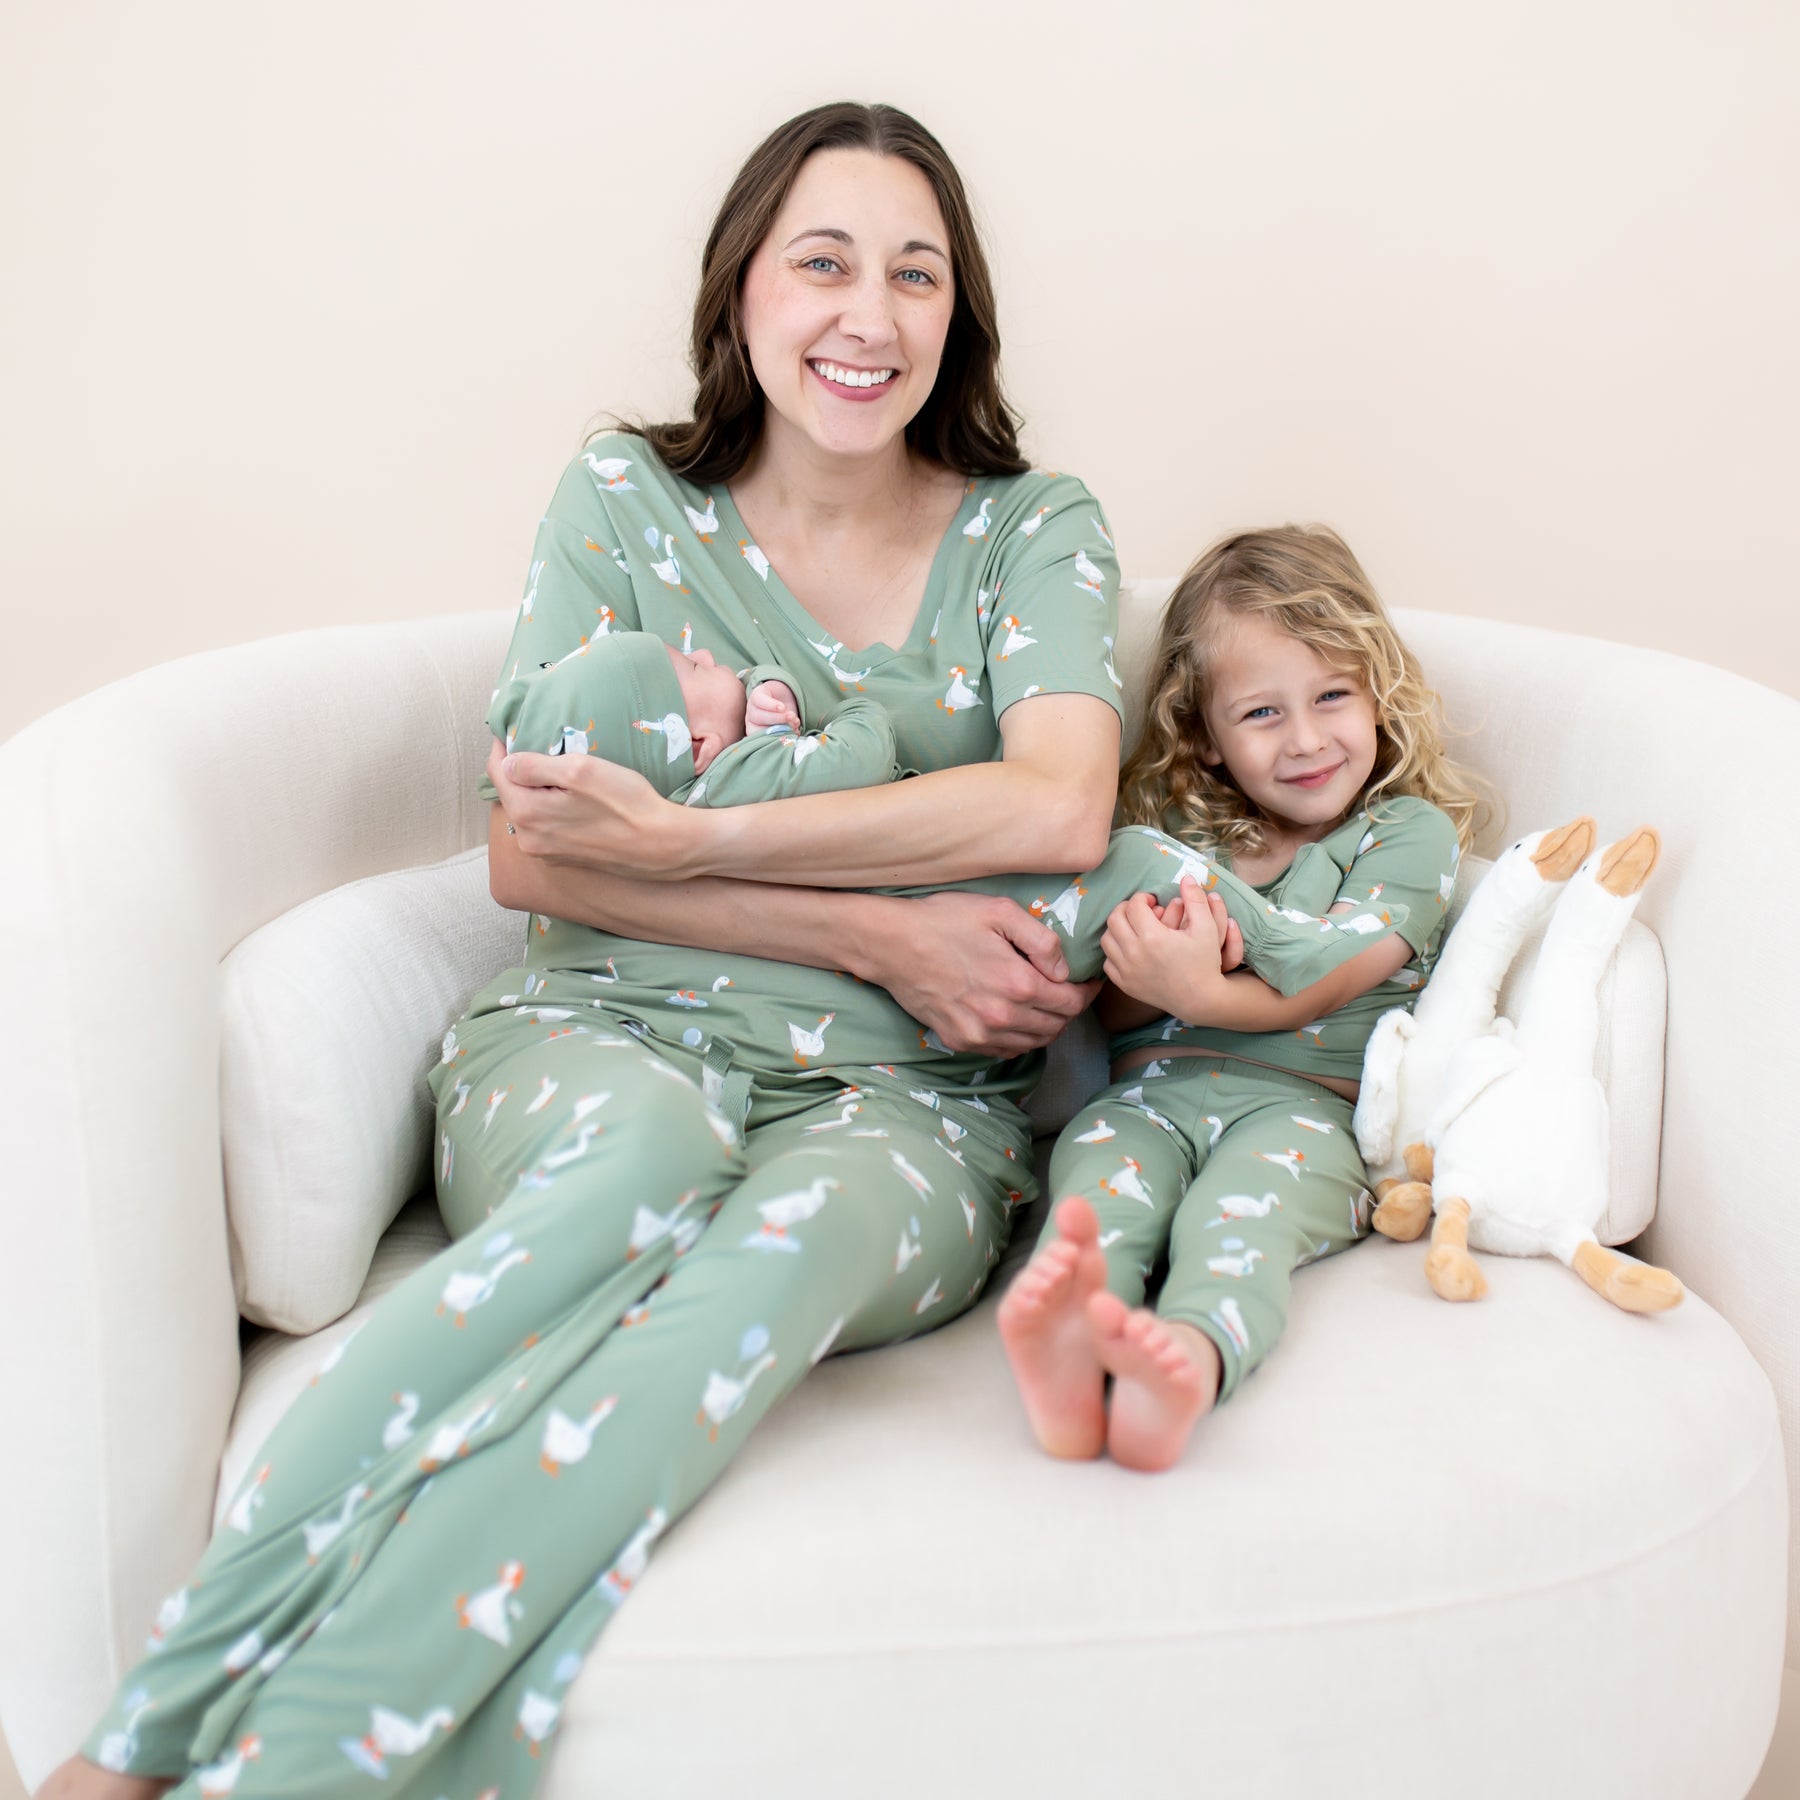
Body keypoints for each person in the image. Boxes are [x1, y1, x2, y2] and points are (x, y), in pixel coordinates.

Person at [51, 101, 1122, 1799]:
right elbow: (530, 849)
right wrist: (876, 928)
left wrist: (694, 839)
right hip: (600, 1030)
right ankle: (136, 1743)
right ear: (743, 288)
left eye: (916, 275)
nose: (870, 315)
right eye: (824, 263)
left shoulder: (1034, 528)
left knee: (746, 1288)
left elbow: (1059, 801)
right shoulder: (624, 499)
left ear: (958, 312)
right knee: (626, 1173)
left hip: (911, 1110)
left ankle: (279, 1766)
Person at [998, 525, 1487, 1473]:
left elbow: (1329, 975)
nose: (1305, 739)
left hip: (1302, 1114)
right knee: (1096, 1199)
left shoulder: (1404, 834)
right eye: (1262, 713)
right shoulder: (1190, 836)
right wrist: (1153, 975)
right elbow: (1120, 1015)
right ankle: (1070, 1345)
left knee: (1239, 1221)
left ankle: (1187, 1360)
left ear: (1378, 694)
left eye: (1332, 696)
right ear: (1206, 738)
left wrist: (1210, 975)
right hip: (1148, 1096)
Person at [488, 626, 1423, 993]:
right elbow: (867, 748)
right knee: (1142, 860)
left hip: (981, 921)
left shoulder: (706, 786)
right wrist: (808, 703)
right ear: (697, 747)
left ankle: (1246, 939)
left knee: (1153, 886)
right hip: (1005, 912)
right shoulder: (757, 772)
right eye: (693, 669)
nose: (711, 656)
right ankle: (1287, 944)